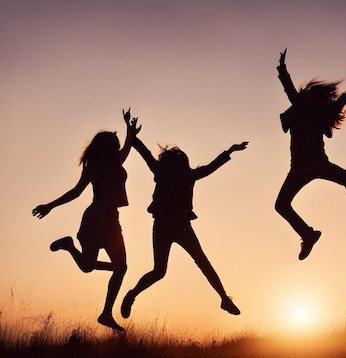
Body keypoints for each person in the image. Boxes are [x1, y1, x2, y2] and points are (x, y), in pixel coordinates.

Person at [32, 108, 141, 331]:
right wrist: (50, 206)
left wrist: (130, 132)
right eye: (115, 143)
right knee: (88, 267)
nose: (119, 146)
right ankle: (70, 246)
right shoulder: (95, 168)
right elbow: (76, 192)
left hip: (112, 220)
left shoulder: (116, 161)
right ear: (107, 147)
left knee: (120, 267)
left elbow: (128, 147)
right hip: (95, 219)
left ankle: (106, 314)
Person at [274, 49, 346, 261]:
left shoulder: (311, 111)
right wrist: (282, 68)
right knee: (282, 204)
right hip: (308, 166)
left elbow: (338, 102)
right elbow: (294, 90)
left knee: (283, 204)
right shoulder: (305, 109)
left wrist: (282, 68)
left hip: (306, 166)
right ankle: (309, 234)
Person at [120, 132, 248, 319]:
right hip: (164, 225)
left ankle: (224, 299)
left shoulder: (185, 174)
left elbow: (211, 167)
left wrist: (230, 151)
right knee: (160, 271)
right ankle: (131, 295)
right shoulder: (165, 172)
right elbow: (144, 153)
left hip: (180, 226)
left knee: (200, 262)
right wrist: (132, 136)